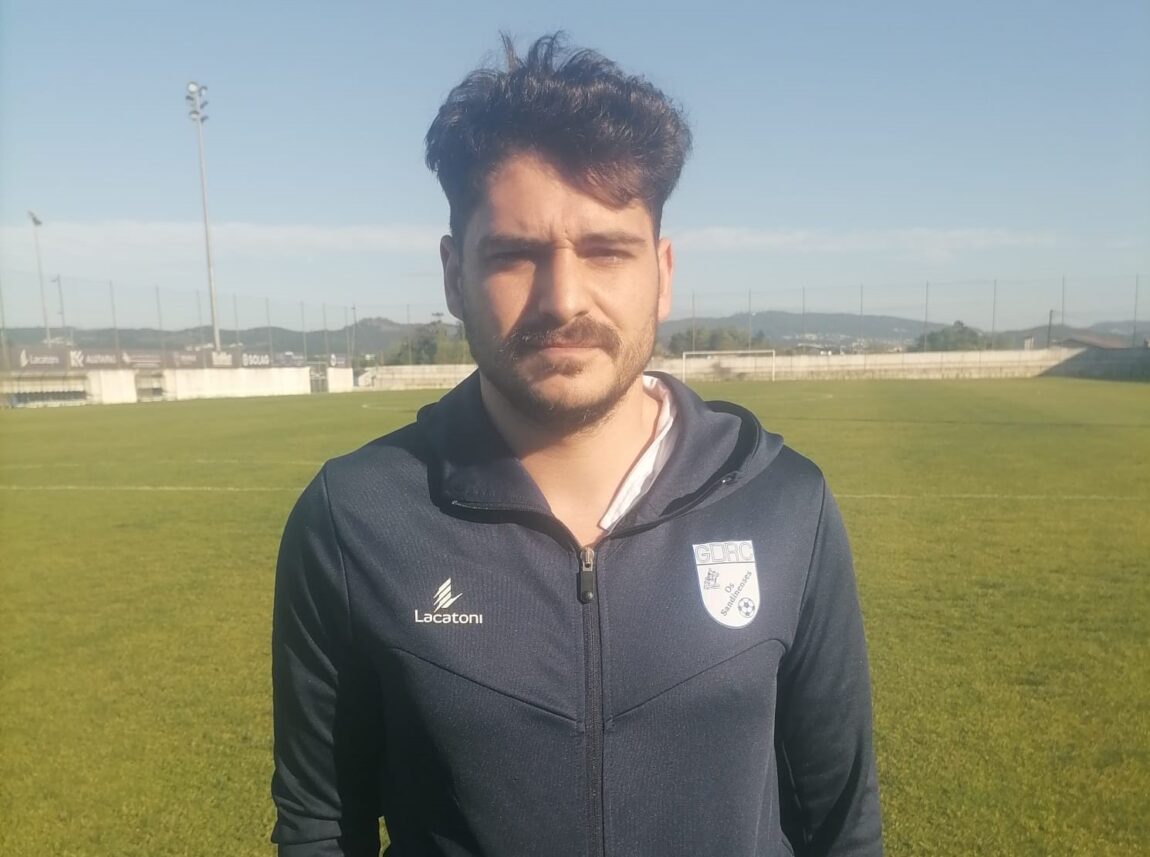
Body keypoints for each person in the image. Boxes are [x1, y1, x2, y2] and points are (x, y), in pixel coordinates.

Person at [272, 33, 882, 857]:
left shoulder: (783, 503)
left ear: (662, 273)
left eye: (606, 251)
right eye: (515, 255)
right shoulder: (355, 518)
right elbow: (320, 824)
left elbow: (840, 823)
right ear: (453, 275)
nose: (563, 299)